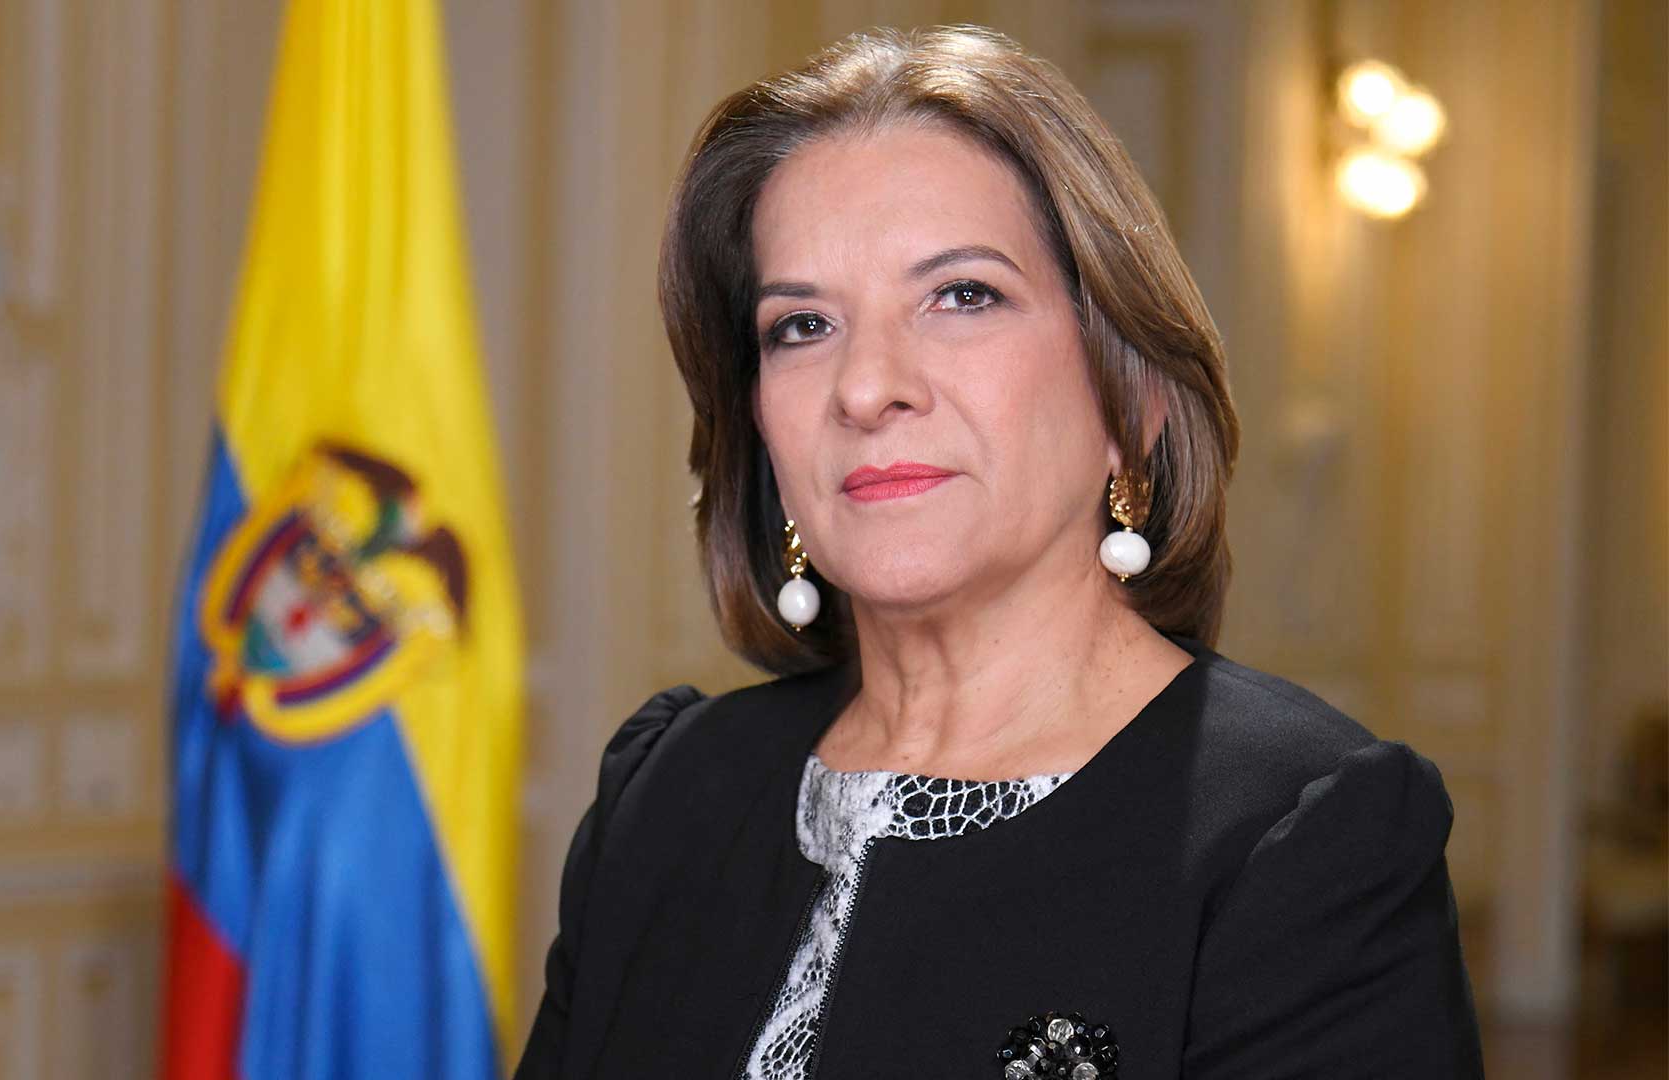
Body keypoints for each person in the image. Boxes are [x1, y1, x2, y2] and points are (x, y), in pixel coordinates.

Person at [515, 25, 1483, 1080]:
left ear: (1131, 393)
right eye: (802, 325)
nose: (866, 388)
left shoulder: (1301, 835)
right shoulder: (666, 793)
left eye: (962, 296)